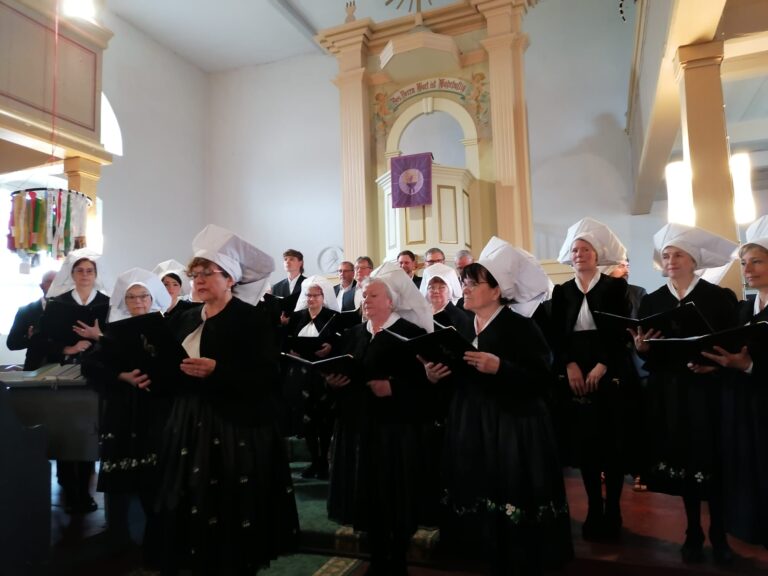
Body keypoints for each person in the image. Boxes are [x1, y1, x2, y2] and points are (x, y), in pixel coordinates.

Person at [424, 237, 572, 575]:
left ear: (496, 291)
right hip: (470, 419)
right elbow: (459, 371)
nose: (466, 289)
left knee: (506, 489)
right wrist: (436, 375)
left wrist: (501, 367)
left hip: (511, 424)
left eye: (474, 284)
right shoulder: (462, 323)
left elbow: (542, 378)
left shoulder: (521, 326)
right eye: (465, 283)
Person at [156, 224, 298, 575]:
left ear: (231, 279)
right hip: (188, 422)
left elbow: (267, 376)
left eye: (208, 273)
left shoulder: (251, 319)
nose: (199, 280)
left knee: (233, 508)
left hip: (236, 427)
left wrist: (218, 370)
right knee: (190, 502)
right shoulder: (185, 318)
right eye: (195, 274)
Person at [630, 223, 738, 564]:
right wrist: (642, 349)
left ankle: (720, 536)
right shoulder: (653, 300)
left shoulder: (718, 297)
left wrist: (716, 366)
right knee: (685, 463)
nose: (671, 261)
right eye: (666, 256)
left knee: (712, 463)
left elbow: (733, 344)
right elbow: (648, 348)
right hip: (671, 392)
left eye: (678, 255)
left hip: (708, 392)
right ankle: (693, 531)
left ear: (694, 260)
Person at [325, 263, 433, 575]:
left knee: (394, 497)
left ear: (391, 301)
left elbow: (427, 387)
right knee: (366, 496)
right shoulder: (355, 334)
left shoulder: (410, 335)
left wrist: (394, 388)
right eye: (364, 294)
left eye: (373, 295)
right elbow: (344, 372)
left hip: (394, 432)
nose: (366, 299)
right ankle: (375, 558)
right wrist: (332, 382)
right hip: (358, 427)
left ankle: (397, 560)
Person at [80, 268, 172, 567]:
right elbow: (91, 367)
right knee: (121, 482)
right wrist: (122, 375)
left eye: (143, 296)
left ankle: (156, 544)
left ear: (152, 297)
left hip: (157, 412)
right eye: (131, 297)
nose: (138, 302)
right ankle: (120, 539)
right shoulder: (114, 332)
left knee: (155, 481)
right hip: (122, 413)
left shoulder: (166, 328)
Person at [550, 218, 632, 542]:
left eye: (586, 249)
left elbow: (620, 331)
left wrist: (602, 365)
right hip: (574, 369)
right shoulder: (562, 291)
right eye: (575, 250)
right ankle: (593, 508)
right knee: (586, 447)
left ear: (598, 256)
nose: (580, 254)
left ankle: (613, 508)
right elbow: (557, 335)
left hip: (608, 367)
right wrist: (569, 364)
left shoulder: (615, 288)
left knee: (610, 444)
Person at [696, 216, 768, 550]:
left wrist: (751, 366)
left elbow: (751, 358)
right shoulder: (746, 307)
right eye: (743, 263)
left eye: (756, 261)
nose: (748, 269)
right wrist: (720, 367)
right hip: (745, 405)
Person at [41, 249, 110, 514]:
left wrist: (96, 339)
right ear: (71, 274)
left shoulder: (106, 303)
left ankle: (85, 490)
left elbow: (115, 338)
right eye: (80, 270)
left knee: (89, 434)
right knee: (67, 432)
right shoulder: (58, 304)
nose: (84, 275)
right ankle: (70, 490)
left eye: (89, 270)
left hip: (97, 376)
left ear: (95, 275)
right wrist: (67, 349)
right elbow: (43, 339)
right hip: (65, 376)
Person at [284, 275, 339, 478]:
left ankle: (324, 461)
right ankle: (314, 461)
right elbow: (287, 341)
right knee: (306, 421)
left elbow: (339, 342)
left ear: (323, 297)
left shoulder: (333, 317)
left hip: (323, 374)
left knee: (323, 420)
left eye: (316, 295)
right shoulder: (297, 317)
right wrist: (290, 350)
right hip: (301, 374)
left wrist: (330, 347)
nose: (311, 299)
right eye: (308, 295)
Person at [7, 269, 57, 370]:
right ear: (41, 285)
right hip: (34, 368)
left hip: (63, 368)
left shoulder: (71, 310)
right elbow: (12, 343)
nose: (53, 285)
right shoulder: (25, 311)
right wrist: (30, 339)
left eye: (57, 282)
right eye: (49, 281)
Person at [272, 248, 306, 324]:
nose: (287, 261)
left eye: (291, 259)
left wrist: (291, 320)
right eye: (285, 259)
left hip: (300, 326)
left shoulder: (308, 284)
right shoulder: (276, 287)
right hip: (280, 330)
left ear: (300, 263)